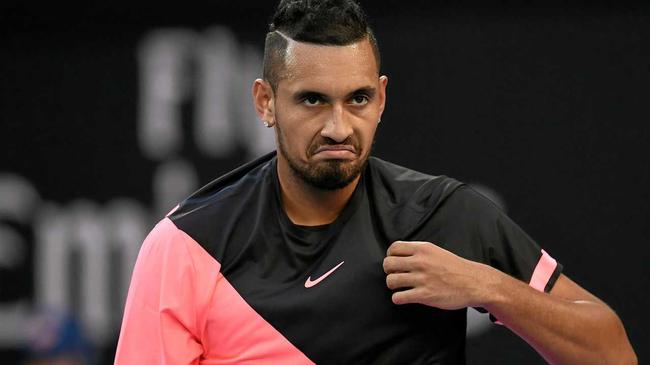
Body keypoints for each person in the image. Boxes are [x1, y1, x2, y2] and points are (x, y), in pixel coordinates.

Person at [115, 0, 637, 363]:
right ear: (265, 102)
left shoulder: (442, 215)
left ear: (382, 99)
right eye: (312, 100)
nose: (339, 126)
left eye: (357, 99)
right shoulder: (185, 248)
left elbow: (612, 352)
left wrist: (487, 287)